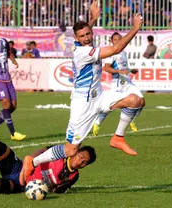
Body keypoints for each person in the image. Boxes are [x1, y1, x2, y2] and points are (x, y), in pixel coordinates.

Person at [19, 0, 144, 185]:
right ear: (76, 39)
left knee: (136, 101)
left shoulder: (82, 45)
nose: (86, 37)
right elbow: (117, 48)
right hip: (83, 105)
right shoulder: (83, 53)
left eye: (88, 34)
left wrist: (93, 18)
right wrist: (135, 28)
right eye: (82, 36)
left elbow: (84, 34)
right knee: (70, 151)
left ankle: (118, 138)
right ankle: (33, 161)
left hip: (99, 96)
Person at [0, 124, 96, 194]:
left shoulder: (74, 176)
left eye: (85, 162)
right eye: (81, 157)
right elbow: (41, 151)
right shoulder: (62, 152)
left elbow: (58, 190)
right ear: (76, 152)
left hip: (21, 185)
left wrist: (40, 189)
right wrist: (28, 162)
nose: (81, 162)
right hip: (18, 167)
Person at [92, 32, 145, 136]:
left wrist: (130, 70)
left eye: (119, 39)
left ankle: (131, 120)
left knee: (142, 102)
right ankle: (97, 121)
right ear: (111, 41)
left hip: (128, 82)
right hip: (118, 83)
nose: (117, 41)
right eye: (115, 40)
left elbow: (122, 67)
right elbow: (106, 68)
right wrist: (120, 72)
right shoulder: (111, 53)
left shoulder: (123, 52)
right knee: (112, 105)